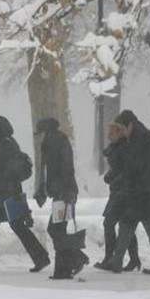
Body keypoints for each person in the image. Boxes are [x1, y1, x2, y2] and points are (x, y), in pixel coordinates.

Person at [0, 115, 50, 273]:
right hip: (10, 192)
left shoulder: (1, 146)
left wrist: (0, 192)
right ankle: (41, 257)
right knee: (16, 226)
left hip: (3, 195)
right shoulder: (9, 142)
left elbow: (4, 173)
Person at [108, 110, 150, 274]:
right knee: (129, 225)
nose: (121, 131)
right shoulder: (137, 137)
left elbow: (135, 167)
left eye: (122, 128)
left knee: (145, 227)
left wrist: (119, 180)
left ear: (130, 125)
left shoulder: (141, 138)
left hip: (143, 192)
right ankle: (117, 262)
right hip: (141, 191)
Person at [33, 117, 89, 279]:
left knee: (56, 229)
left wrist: (62, 192)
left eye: (41, 134)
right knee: (58, 229)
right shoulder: (55, 141)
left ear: (46, 131)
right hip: (64, 193)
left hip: (65, 194)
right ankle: (65, 268)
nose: (40, 137)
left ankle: (75, 260)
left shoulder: (56, 142)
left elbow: (64, 168)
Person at [94, 122, 141, 272]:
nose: (109, 135)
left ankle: (110, 257)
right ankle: (133, 259)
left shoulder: (123, 149)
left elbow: (126, 170)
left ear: (120, 133)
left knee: (110, 223)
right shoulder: (116, 148)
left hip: (122, 191)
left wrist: (112, 178)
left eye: (112, 132)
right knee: (123, 225)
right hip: (118, 190)